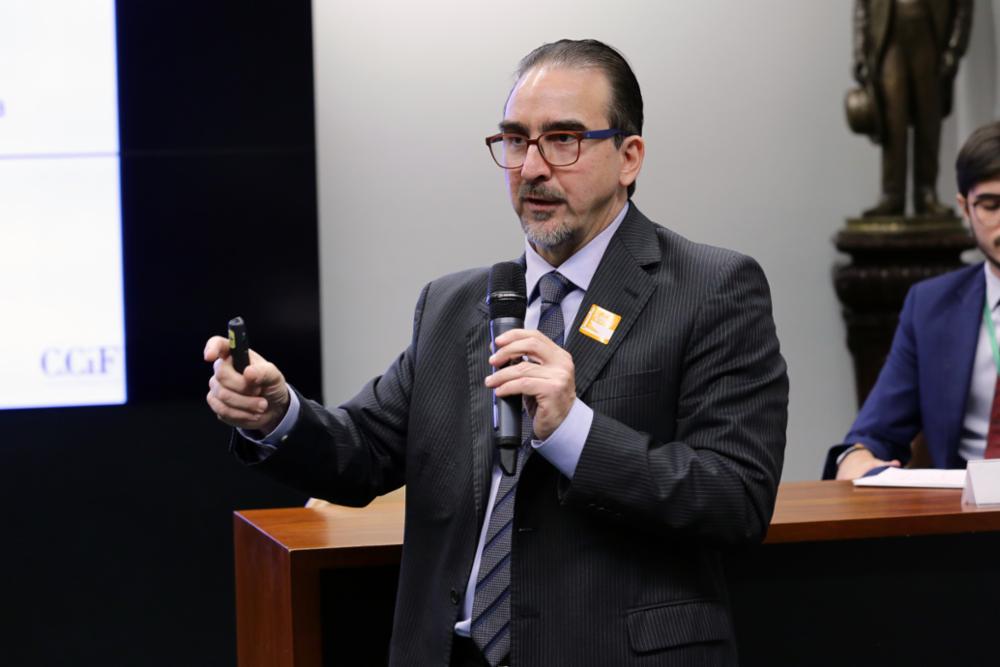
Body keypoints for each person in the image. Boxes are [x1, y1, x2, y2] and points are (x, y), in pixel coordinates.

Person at [205, 39, 788, 667]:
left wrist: (573, 431)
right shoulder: (456, 304)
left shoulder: (711, 289)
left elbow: (735, 499)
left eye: (563, 139)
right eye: (515, 140)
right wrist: (278, 414)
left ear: (628, 157)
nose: (532, 168)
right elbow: (363, 452)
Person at [832, 120, 1000, 480]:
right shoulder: (931, 306)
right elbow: (874, 433)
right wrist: (856, 457)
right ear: (964, 208)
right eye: (991, 205)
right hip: (963, 519)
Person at [853, 0, 972, 217]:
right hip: (889, 34)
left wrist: (955, 48)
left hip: (929, 33)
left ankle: (926, 192)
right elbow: (862, 6)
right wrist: (860, 51)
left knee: (928, 118)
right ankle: (892, 194)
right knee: (892, 120)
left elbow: (963, 5)